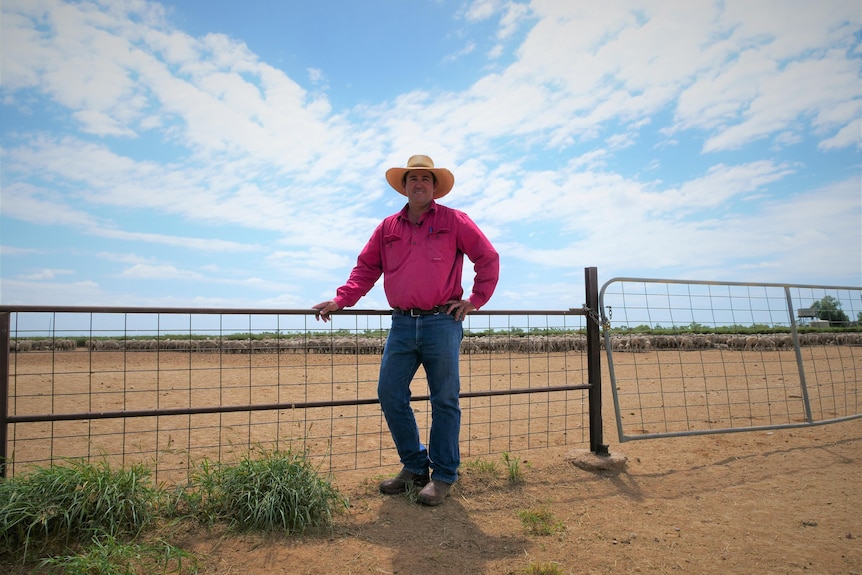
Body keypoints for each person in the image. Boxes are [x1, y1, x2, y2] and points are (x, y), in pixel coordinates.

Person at [313, 154, 500, 506]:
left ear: (434, 187)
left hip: (442, 322)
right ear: (404, 186)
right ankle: (415, 467)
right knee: (389, 393)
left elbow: (487, 257)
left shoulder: (455, 220)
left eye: (425, 179)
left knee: (444, 399)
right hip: (401, 323)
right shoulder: (388, 228)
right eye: (412, 179)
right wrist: (342, 299)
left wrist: (475, 300)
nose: (418, 184)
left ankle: (444, 475)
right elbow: (366, 268)